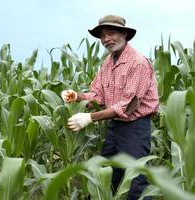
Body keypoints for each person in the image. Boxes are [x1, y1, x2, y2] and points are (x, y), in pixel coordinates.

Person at [61, 15, 159, 200]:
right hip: (115, 126)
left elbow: (129, 106)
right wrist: (77, 97)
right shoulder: (108, 63)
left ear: (124, 34)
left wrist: (90, 118)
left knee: (135, 180)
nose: (106, 39)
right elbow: (98, 94)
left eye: (111, 33)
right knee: (104, 173)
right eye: (103, 36)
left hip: (135, 127)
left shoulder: (137, 63)